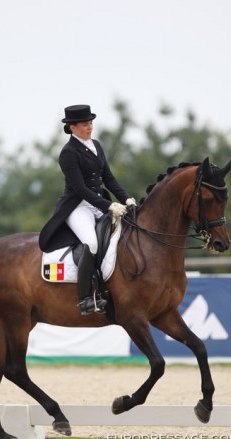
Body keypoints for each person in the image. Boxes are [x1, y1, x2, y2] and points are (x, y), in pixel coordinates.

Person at [39, 104, 136, 315]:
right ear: (72, 127)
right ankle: (84, 299)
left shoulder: (96, 145)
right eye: (85, 124)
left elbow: (108, 178)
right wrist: (109, 205)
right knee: (91, 243)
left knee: (120, 235)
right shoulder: (68, 153)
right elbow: (80, 189)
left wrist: (126, 199)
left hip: (99, 203)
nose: (90, 127)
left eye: (91, 122)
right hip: (77, 207)